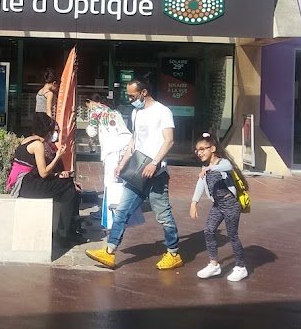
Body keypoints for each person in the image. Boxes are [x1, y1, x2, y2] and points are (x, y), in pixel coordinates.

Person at [86, 79, 181, 270]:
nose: (130, 99)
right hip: (138, 170)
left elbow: (169, 141)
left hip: (156, 172)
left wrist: (154, 163)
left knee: (163, 215)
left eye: (132, 96)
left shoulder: (163, 111)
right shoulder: (136, 112)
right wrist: (122, 163)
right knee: (122, 210)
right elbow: (134, 141)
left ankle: (173, 253)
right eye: (128, 96)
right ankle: (109, 252)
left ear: (144, 92)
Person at [13, 112, 83, 243]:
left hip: (27, 182)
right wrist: (58, 156)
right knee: (69, 186)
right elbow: (43, 173)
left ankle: (65, 232)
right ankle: (65, 233)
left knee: (68, 190)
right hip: (27, 186)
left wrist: (57, 175)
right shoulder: (38, 145)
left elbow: (37, 170)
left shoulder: (27, 140)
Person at [190, 132, 248, 282]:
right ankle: (214, 265)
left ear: (213, 149)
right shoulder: (205, 167)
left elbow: (228, 166)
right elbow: (200, 183)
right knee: (208, 231)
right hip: (218, 205)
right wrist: (194, 202)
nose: (199, 153)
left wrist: (210, 168)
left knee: (232, 235)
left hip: (230, 204)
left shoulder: (222, 163)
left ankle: (241, 267)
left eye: (202, 149)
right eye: (197, 150)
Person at [85, 96, 132, 232]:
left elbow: (92, 131)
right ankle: (122, 209)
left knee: (110, 181)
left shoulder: (96, 111)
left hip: (113, 149)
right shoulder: (114, 111)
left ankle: (109, 214)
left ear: (90, 102)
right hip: (126, 146)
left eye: (87, 105)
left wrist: (90, 134)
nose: (88, 108)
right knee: (120, 180)